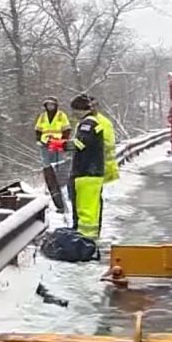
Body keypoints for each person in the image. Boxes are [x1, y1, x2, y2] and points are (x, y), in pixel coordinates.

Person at [68, 94, 106, 240]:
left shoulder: (87, 124)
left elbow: (80, 144)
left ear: (79, 110)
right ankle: (89, 237)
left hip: (86, 172)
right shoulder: (94, 122)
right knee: (91, 208)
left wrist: (58, 145)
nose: (73, 115)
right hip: (93, 172)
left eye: (74, 111)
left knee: (85, 209)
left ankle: (85, 240)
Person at [34, 97, 71, 168]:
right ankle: (49, 177)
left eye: (52, 105)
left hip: (57, 142)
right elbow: (38, 129)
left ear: (55, 105)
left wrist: (64, 140)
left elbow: (67, 129)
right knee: (46, 164)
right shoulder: (42, 116)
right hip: (45, 142)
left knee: (58, 163)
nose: (50, 106)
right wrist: (38, 140)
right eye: (48, 105)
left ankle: (58, 177)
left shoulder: (61, 115)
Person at [90, 97, 119, 185]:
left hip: (105, 167)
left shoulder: (104, 122)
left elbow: (108, 143)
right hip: (92, 168)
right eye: (89, 106)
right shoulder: (84, 122)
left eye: (93, 106)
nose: (92, 108)